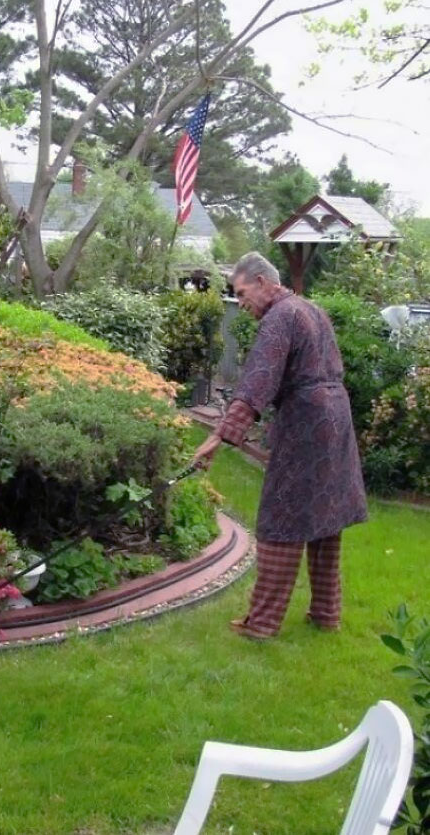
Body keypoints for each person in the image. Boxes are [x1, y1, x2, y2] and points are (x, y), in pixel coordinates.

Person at [192, 252, 367, 639]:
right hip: (337, 419)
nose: (240, 303)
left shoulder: (279, 317)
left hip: (307, 422)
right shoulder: (312, 309)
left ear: (262, 282)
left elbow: (258, 381)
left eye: (241, 293)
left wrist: (218, 437)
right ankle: (326, 615)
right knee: (325, 519)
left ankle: (262, 624)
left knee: (281, 518)